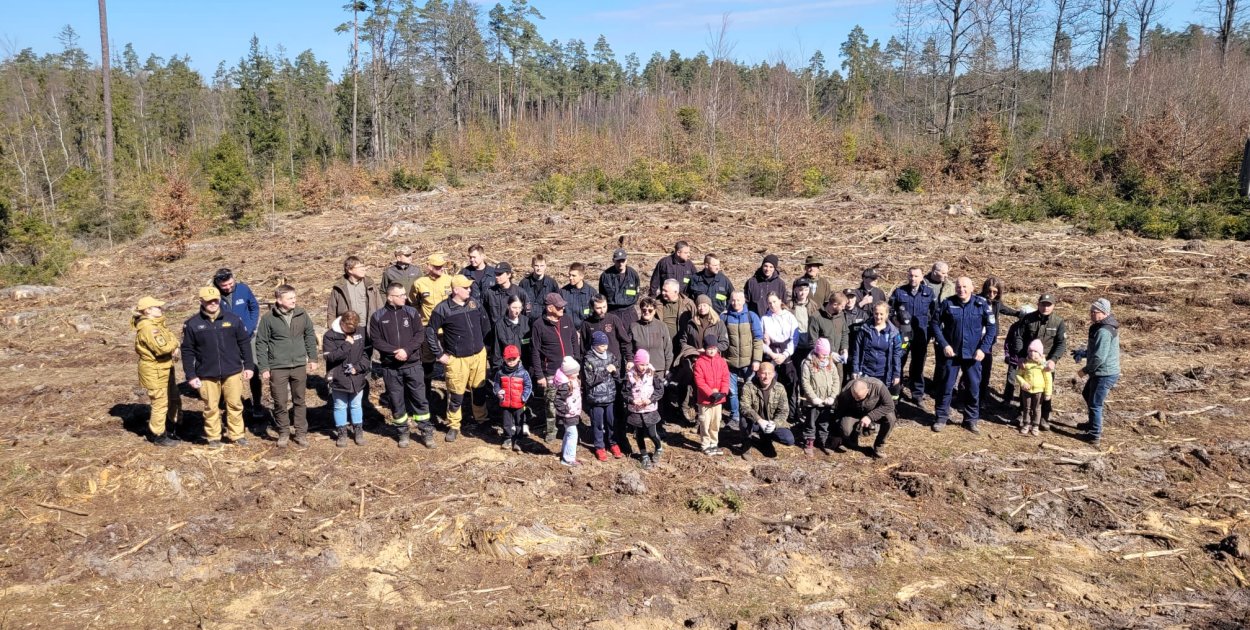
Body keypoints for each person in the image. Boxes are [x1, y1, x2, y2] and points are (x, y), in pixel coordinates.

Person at [181, 286, 254, 448]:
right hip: (206, 374)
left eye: (216, 300)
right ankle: (213, 437)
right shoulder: (192, 324)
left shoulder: (233, 319)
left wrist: (248, 365)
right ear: (201, 301)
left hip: (233, 371)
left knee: (235, 404)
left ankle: (237, 435)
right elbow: (187, 351)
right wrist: (191, 375)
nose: (213, 303)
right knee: (211, 407)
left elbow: (244, 343)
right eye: (209, 301)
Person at [426, 274, 491, 442]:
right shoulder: (443, 309)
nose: (470, 290)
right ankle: (454, 425)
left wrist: (487, 345)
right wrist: (439, 354)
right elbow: (430, 332)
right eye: (466, 288)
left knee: (479, 389)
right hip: (457, 359)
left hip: (478, 355)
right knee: (456, 394)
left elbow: (485, 323)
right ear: (455, 290)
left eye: (470, 287)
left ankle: (481, 419)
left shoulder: (474, 303)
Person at [369, 283, 433, 448]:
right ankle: (402, 433)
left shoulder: (411, 312)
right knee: (397, 401)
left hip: (413, 364)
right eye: (401, 295)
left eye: (405, 294)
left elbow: (419, 334)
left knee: (420, 399)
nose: (405, 297)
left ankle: (425, 432)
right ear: (391, 297)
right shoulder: (378, 317)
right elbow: (376, 340)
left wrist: (406, 350)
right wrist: (394, 351)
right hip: (391, 368)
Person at [930, 277, 997, 433]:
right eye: (959, 287)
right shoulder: (948, 303)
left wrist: (983, 348)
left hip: (973, 355)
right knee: (946, 386)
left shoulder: (981, 304)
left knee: (973, 388)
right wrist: (944, 344)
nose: (962, 290)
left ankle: (971, 420)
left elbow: (991, 328)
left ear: (972, 288)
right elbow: (934, 324)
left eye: (965, 287)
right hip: (951, 354)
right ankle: (940, 418)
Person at [255, 284, 319, 448]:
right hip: (277, 366)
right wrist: (264, 367)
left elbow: (310, 335)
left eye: (294, 297)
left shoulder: (301, 314)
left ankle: (300, 433)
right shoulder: (268, 318)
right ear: (279, 300)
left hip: (298, 364)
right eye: (290, 298)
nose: (294, 300)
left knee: (300, 400)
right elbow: (261, 343)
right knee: (280, 402)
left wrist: (313, 358)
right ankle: (283, 432)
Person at [1007, 294, 1067, 429]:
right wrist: (1021, 356)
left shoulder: (1058, 322)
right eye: (1043, 304)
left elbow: (1061, 344)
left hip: (1045, 364)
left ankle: (1044, 418)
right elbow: (1019, 338)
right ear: (1038, 304)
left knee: (1046, 389)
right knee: (1026, 388)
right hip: (1028, 361)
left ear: (1053, 306)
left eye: (1048, 304)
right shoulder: (1028, 319)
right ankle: (1023, 415)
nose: (1045, 307)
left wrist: (1053, 360)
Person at [531, 293, 583, 442]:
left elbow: (574, 339)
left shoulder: (566, 319)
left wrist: (576, 361)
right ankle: (551, 430)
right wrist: (540, 375)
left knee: (572, 399)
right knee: (551, 402)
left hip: (570, 371)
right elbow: (535, 351)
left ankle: (571, 428)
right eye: (559, 306)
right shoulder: (538, 325)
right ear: (550, 308)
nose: (563, 308)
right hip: (551, 371)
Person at [213, 268, 263, 422]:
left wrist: (249, 326)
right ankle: (231, 403)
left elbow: (254, 308)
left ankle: (257, 403)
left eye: (230, 284)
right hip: (227, 339)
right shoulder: (214, 294)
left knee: (254, 368)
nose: (228, 288)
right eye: (224, 286)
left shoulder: (243, 289)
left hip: (248, 337)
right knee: (229, 371)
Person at [132, 296, 181, 446]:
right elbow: (163, 347)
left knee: (173, 398)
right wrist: (174, 345)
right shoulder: (148, 328)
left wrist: (174, 344)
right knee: (160, 402)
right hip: (154, 370)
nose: (161, 309)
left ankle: (171, 427)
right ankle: (158, 434)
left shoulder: (158, 324)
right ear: (147, 310)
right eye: (157, 307)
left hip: (164, 367)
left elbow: (172, 339)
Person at [1075, 298, 1120, 448]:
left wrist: (1084, 370)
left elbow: (1099, 357)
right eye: (1091, 311)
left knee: (1095, 403)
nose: (1092, 314)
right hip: (1100, 371)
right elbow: (1096, 350)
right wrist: (1083, 353)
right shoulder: (1099, 327)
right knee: (1087, 394)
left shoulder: (1104, 331)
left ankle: (1094, 434)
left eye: (1095, 312)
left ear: (1104, 313)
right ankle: (1092, 423)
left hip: (1104, 373)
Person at [890, 267, 937, 403]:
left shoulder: (929, 292)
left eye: (916, 276)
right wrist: (897, 325)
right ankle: (895, 392)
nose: (913, 279)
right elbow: (891, 311)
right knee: (899, 361)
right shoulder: (899, 292)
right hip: (903, 335)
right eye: (911, 276)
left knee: (918, 364)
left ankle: (917, 394)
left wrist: (932, 330)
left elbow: (934, 313)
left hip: (921, 335)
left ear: (922, 277)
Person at [323, 311, 369, 448]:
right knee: (340, 406)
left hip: (357, 375)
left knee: (356, 405)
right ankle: (342, 432)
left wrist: (359, 367)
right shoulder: (330, 335)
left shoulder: (361, 332)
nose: (352, 331)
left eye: (354, 329)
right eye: (349, 329)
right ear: (342, 323)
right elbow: (330, 357)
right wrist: (347, 345)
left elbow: (366, 354)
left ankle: (358, 431)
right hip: (338, 377)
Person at [977, 276, 1023, 403]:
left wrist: (1019, 314)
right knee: (973, 367)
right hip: (976, 339)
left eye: (995, 292)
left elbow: (1006, 310)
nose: (991, 294)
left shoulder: (996, 303)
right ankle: (964, 394)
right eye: (989, 291)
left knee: (986, 368)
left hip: (989, 340)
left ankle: (982, 395)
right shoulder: (976, 300)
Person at [723, 291, 764, 430]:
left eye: (738, 300)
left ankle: (751, 416)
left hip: (748, 363)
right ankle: (735, 416)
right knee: (732, 391)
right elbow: (722, 340)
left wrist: (757, 359)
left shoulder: (751, 316)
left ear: (744, 301)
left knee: (750, 390)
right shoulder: (725, 317)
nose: (735, 303)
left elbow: (758, 339)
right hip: (730, 362)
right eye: (733, 300)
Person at [832, 377, 896, 458]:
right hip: (854, 412)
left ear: (867, 390)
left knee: (890, 419)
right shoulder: (846, 390)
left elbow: (889, 405)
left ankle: (879, 446)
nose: (856, 399)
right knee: (845, 429)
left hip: (874, 411)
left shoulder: (878, 386)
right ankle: (851, 442)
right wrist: (836, 434)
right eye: (854, 397)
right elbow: (839, 411)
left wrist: (870, 417)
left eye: (859, 397)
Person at [850, 302, 904, 398]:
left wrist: (896, 374)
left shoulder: (893, 333)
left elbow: (897, 355)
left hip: (884, 374)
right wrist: (855, 370)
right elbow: (857, 351)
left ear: (887, 314)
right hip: (866, 372)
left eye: (881, 314)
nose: (878, 317)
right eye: (876, 313)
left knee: (880, 400)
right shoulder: (864, 329)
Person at [582, 331, 622, 461]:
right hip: (596, 398)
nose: (605, 347)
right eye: (602, 345)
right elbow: (589, 380)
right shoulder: (588, 358)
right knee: (598, 424)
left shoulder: (610, 356)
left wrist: (615, 371)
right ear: (594, 345)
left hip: (610, 397)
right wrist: (606, 371)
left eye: (606, 344)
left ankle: (613, 443)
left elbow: (617, 375)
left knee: (611, 422)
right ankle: (599, 446)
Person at [761, 292, 800, 420]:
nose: (772, 305)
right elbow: (761, 341)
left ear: (780, 301)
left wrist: (785, 354)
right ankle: (772, 414)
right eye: (769, 303)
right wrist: (772, 354)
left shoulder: (789, 316)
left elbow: (794, 338)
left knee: (790, 384)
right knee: (772, 385)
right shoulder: (765, 319)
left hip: (786, 352)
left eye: (774, 301)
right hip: (771, 353)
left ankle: (791, 414)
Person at [624, 349, 665, 470]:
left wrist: (651, 400)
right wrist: (632, 400)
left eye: (646, 364)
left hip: (649, 409)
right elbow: (625, 393)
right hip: (636, 410)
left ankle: (658, 448)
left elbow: (659, 390)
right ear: (636, 363)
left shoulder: (652, 373)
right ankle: (644, 455)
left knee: (652, 433)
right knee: (639, 434)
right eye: (642, 364)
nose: (644, 367)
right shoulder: (629, 375)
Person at [740, 361, 795, 450]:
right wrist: (759, 420)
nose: (767, 377)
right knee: (744, 420)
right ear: (758, 374)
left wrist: (774, 424)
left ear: (774, 374)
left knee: (789, 440)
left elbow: (783, 411)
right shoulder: (748, 386)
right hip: (756, 422)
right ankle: (746, 443)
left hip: (771, 422)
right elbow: (745, 407)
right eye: (763, 373)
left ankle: (766, 438)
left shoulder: (780, 388)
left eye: (769, 373)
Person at [799, 338, 840, 455]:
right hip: (813, 401)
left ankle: (824, 441)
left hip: (827, 400)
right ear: (817, 351)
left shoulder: (830, 363)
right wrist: (813, 398)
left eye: (827, 354)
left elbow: (836, 380)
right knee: (810, 422)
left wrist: (832, 396)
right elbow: (805, 382)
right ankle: (809, 442)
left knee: (825, 422)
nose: (825, 357)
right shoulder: (808, 363)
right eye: (823, 354)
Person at [693, 333, 730, 456]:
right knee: (705, 422)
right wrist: (710, 393)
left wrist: (723, 392)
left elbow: (726, 378)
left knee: (716, 422)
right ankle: (705, 444)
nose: (712, 351)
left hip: (719, 399)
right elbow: (700, 381)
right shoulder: (699, 362)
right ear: (705, 348)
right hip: (705, 400)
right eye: (709, 348)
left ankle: (714, 443)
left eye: (714, 348)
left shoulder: (722, 362)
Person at [493, 344, 533, 452]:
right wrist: (498, 392)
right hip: (505, 403)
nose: (511, 361)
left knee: (519, 422)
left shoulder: (523, 373)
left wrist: (523, 397)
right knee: (506, 422)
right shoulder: (500, 372)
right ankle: (507, 438)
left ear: (519, 358)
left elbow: (528, 386)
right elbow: (496, 384)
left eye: (513, 359)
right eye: (508, 359)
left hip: (519, 403)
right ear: (504, 358)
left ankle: (518, 440)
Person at [328, 256, 383, 330]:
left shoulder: (370, 285)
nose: (364, 269)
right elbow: (331, 312)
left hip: (369, 328)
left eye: (363, 266)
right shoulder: (339, 288)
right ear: (350, 270)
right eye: (360, 267)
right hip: (347, 330)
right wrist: (333, 331)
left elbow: (380, 307)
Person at [625, 297, 673, 381]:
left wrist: (667, 368)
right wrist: (630, 361)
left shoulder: (662, 326)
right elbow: (629, 347)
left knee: (658, 393)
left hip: (658, 369)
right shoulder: (634, 326)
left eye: (650, 310)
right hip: (639, 370)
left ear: (654, 311)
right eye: (644, 310)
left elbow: (668, 348)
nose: (647, 312)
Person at [808, 292, 850, 384]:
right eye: (842, 306)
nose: (844, 308)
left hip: (838, 360)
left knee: (837, 386)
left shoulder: (841, 315)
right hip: (822, 361)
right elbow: (812, 341)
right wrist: (829, 354)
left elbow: (844, 333)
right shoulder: (816, 317)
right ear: (835, 305)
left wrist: (844, 349)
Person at [579, 294, 629, 369]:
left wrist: (630, 359)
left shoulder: (613, 319)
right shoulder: (587, 324)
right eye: (598, 308)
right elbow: (583, 348)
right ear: (592, 308)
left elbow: (625, 341)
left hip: (614, 363)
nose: (602, 310)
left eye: (604, 307)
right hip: (596, 366)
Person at [1015, 340, 1053, 436]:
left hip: (1039, 391)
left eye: (1035, 351)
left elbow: (1048, 379)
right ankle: (1026, 424)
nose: (1033, 353)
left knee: (1037, 408)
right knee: (1026, 408)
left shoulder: (1043, 365)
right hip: (1026, 390)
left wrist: (1048, 393)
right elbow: (1018, 375)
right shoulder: (1025, 363)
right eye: (1030, 351)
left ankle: (1035, 425)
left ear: (1040, 353)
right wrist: (1023, 383)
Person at [553, 356, 584, 467]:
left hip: (572, 412)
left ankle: (565, 453)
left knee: (569, 433)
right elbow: (558, 401)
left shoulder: (572, 380)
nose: (577, 374)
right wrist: (566, 410)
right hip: (568, 414)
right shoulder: (565, 385)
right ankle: (568, 459)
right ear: (568, 373)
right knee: (573, 434)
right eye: (575, 373)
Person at [599, 248, 642, 327]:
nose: (621, 263)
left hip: (629, 313)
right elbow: (602, 296)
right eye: (618, 261)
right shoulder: (605, 276)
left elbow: (637, 293)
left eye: (623, 260)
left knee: (631, 336)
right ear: (613, 260)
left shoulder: (633, 275)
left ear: (626, 260)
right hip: (612, 312)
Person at [490, 295, 531, 373]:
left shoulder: (527, 322)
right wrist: (497, 369)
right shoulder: (499, 325)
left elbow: (530, 345)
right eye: (514, 307)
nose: (517, 311)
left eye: (520, 308)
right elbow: (496, 349)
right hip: (507, 366)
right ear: (508, 306)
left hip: (525, 366)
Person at [657, 279, 695, 351]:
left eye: (666, 291)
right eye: (662, 290)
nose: (662, 293)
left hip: (682, 345)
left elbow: (696, 324)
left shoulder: (688, 304)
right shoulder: (657, 304)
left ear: (676, 292)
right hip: (662, 345)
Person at [519, 254, 560, 320]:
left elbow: (557, 303)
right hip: (527, 322)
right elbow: (518, 302)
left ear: (545, 266)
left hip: (545, 322)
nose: (539, 268)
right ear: (532, 265)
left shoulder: (552, 283)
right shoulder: (524, 283)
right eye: (536, 265)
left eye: (542, 266)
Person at [560, 262, 596, 329]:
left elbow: (593, 313)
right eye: (569, 275)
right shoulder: (563, 292)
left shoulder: (591, 292)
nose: (570, 278)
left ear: (581, 276)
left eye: (574, 275)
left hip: (585, 330)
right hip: (568, 330)